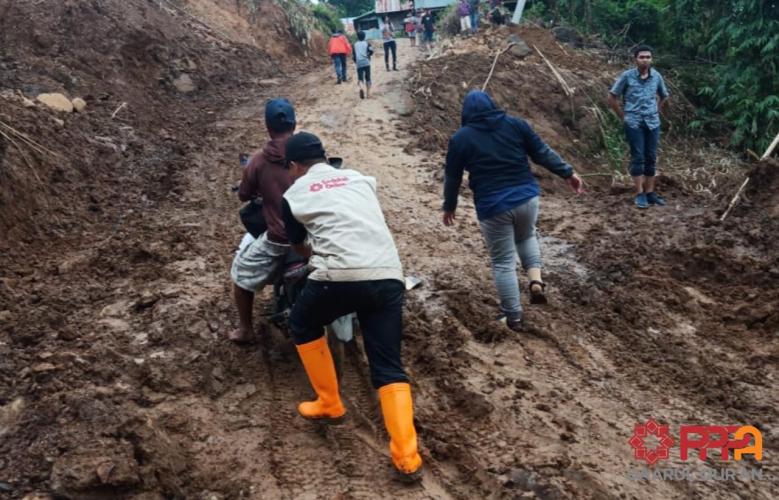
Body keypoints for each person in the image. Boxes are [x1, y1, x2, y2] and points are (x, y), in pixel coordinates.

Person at [281, 132, 423, 481]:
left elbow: (299, 247)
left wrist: (317, 250)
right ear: (325, 158)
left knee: (301, 321)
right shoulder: (361, 179)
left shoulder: (293, 194)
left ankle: (329, 402)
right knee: (388, 366)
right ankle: (407, 458)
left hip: (339, 276)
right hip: (388, 274)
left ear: (295, 166)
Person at [442, 91, 583, 331]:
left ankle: (513, 317)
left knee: (503, 262)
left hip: (493, 205)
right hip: (527, 197)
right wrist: (568, 173)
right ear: (493, 105)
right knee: (527, 236)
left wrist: (449, 206)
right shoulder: (516, 125)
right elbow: (542, 153)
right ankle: (536, 279)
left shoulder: (461, 139)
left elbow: (453, 176)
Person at [228, 99, 296, 342]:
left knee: (240, 274)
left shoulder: (257, 160)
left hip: (279, 239)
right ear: (294, 124)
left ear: (267, 127)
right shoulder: (308, 151)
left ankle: (246, 330)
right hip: (313, 233)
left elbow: (244, 195)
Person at [608, 44, 670, 209]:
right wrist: (624, 117)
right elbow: (612, 97)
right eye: (642, 57)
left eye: (648, 57)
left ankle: (650, 193)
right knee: (638, 157)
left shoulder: (656, 76)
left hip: (652, 123)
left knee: (651, 157)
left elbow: (664, 95)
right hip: (633, 123)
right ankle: (639, 193)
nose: (645, 60)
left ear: (651, 59)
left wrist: (656, 110)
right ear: (635, 59)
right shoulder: (627, 76)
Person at [352, 31, 374, 99]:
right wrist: (368, 55)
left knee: (360, 78)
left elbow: (354, 55)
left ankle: (361, 88)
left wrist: (356, 61)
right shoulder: (367, 43)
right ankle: (368, 93)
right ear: (364, 36)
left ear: (357, 37)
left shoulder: (354, 44)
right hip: (366, 62)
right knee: (368, 77)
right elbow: (371, 51)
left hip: (359, 63)